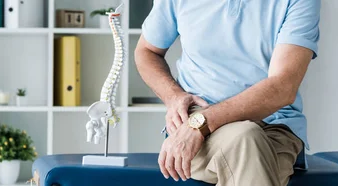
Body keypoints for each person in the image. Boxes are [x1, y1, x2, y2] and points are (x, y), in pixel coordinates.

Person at [134, 0, 320, 185]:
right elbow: (147, 51)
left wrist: (200, 124)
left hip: (275, 126)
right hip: (198, 124)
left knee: (247, 140)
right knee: (246, 140)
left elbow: (283, 87)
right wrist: (173, 96)